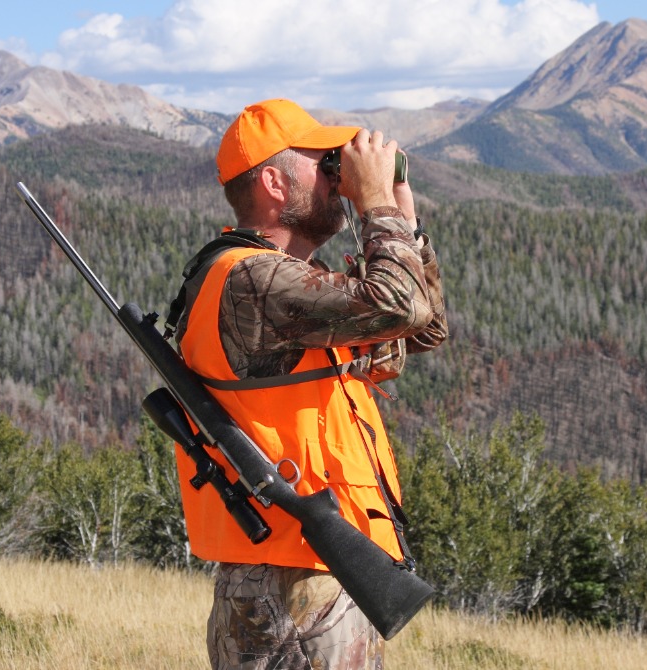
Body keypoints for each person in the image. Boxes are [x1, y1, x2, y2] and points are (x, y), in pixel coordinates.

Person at [168, 98, 447, 669]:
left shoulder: (291, 284)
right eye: (323, 165)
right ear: (273, 183)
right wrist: (374, 205)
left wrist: (402, 216)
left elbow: (424, 328)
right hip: (289, 579)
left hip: (313, 569)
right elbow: (400, 304)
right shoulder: (250, 279)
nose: (336, 176)